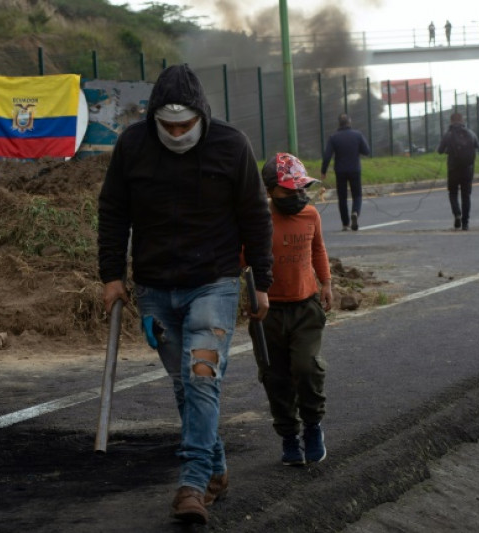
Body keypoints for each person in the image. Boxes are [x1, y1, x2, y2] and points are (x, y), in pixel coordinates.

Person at [98, 64, 273, 525]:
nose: (177, 133)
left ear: (202, 117)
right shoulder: (132, 146)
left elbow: (256, 215)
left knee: (200, 376)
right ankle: (214, 470)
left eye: (185, 125)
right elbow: (113, 211)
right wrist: (111, 276)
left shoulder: (231, 145)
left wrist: (264, 283)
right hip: (154, 288)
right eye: (168, 126)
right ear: (154, 117)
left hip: (214, 280)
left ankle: (192, 485)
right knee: (185, 384)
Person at [252, 153, 333, 467]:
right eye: (290, 190)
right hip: (268, 314)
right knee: (275, 377)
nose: (298, 196)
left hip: (306, 308)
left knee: (307, 367)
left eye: (301, 189)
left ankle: (313, 426)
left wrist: (326, 283)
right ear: (271, 190)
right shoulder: (258, 220)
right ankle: (289, 435)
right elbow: (243, 261)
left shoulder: (310, 214)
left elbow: (318, 249)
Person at [320, 113, 371, 231]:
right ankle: (355, 212)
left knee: (342, 197)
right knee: (357, 194)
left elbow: (327, 156)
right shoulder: (357, 135)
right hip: (355, 169)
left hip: (340, 170)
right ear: (350, 122)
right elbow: (366, 151)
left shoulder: (333, 137)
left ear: (339, 123)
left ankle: (345, 223)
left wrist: (323, 171)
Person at [437, 113, 479, 231]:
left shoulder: (448, 135)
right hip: (468, 169)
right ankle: (465, 223)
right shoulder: (471, 133)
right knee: (466, 195)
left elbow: (440, 150)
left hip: (453, 169)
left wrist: (448, 150)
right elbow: (477, 146)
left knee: (453, 193)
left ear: (451, 121)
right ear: (462, 120)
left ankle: (457, 214)